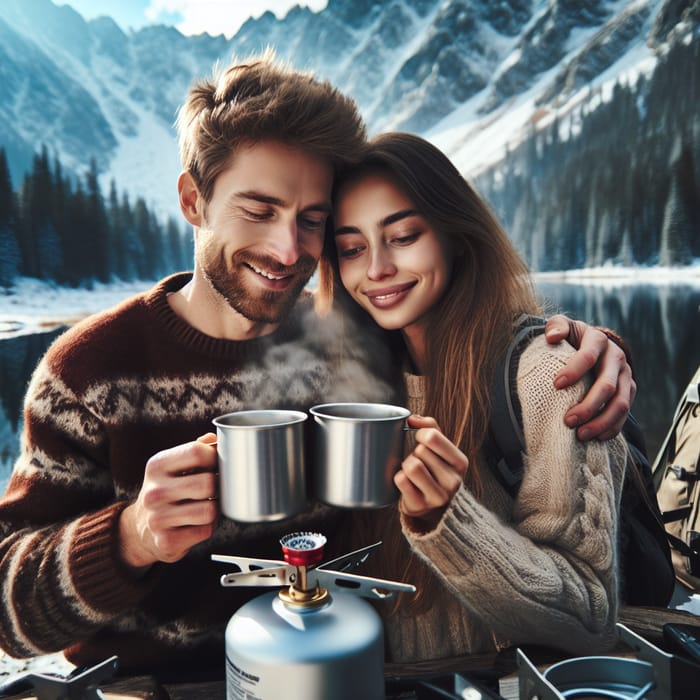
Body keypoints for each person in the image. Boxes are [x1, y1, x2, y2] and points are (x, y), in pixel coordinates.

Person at [0, 55, 632, 678]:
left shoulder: (345, 339)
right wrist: (131, 537)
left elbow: (459, 345)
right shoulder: (88, 372)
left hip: (342, 675)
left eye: (312, 222)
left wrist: (582, 346)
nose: (286, 249)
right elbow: (8, 619)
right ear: (194, 200)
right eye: (259, 209)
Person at [317, 132, 630, 661]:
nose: (376, 270)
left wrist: (452, 521)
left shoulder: (548, 376)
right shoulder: (347, 383)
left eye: (404, 235)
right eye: (351, 248)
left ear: (455, 235)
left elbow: (592, 617)